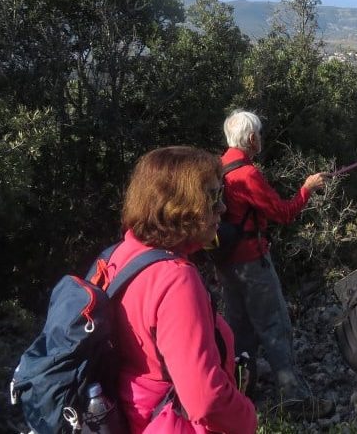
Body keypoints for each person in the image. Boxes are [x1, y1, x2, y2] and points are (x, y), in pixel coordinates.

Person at [107, 146, 257, 434]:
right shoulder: (176, 280)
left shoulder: (123, 255)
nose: (222, 209)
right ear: (179, 204)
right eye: (212, 197)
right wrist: (248, 417)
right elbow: (206, 400)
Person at [216, 110, 333, 420]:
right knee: (275, 327)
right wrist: (307, 188)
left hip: (225, 264)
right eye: (260, 135)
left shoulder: (219, 167)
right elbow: (282, 213)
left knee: (240, 331)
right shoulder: (247, 174)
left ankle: (241, 395)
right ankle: (296, 399)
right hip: (253, 263)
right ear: (252, 138)